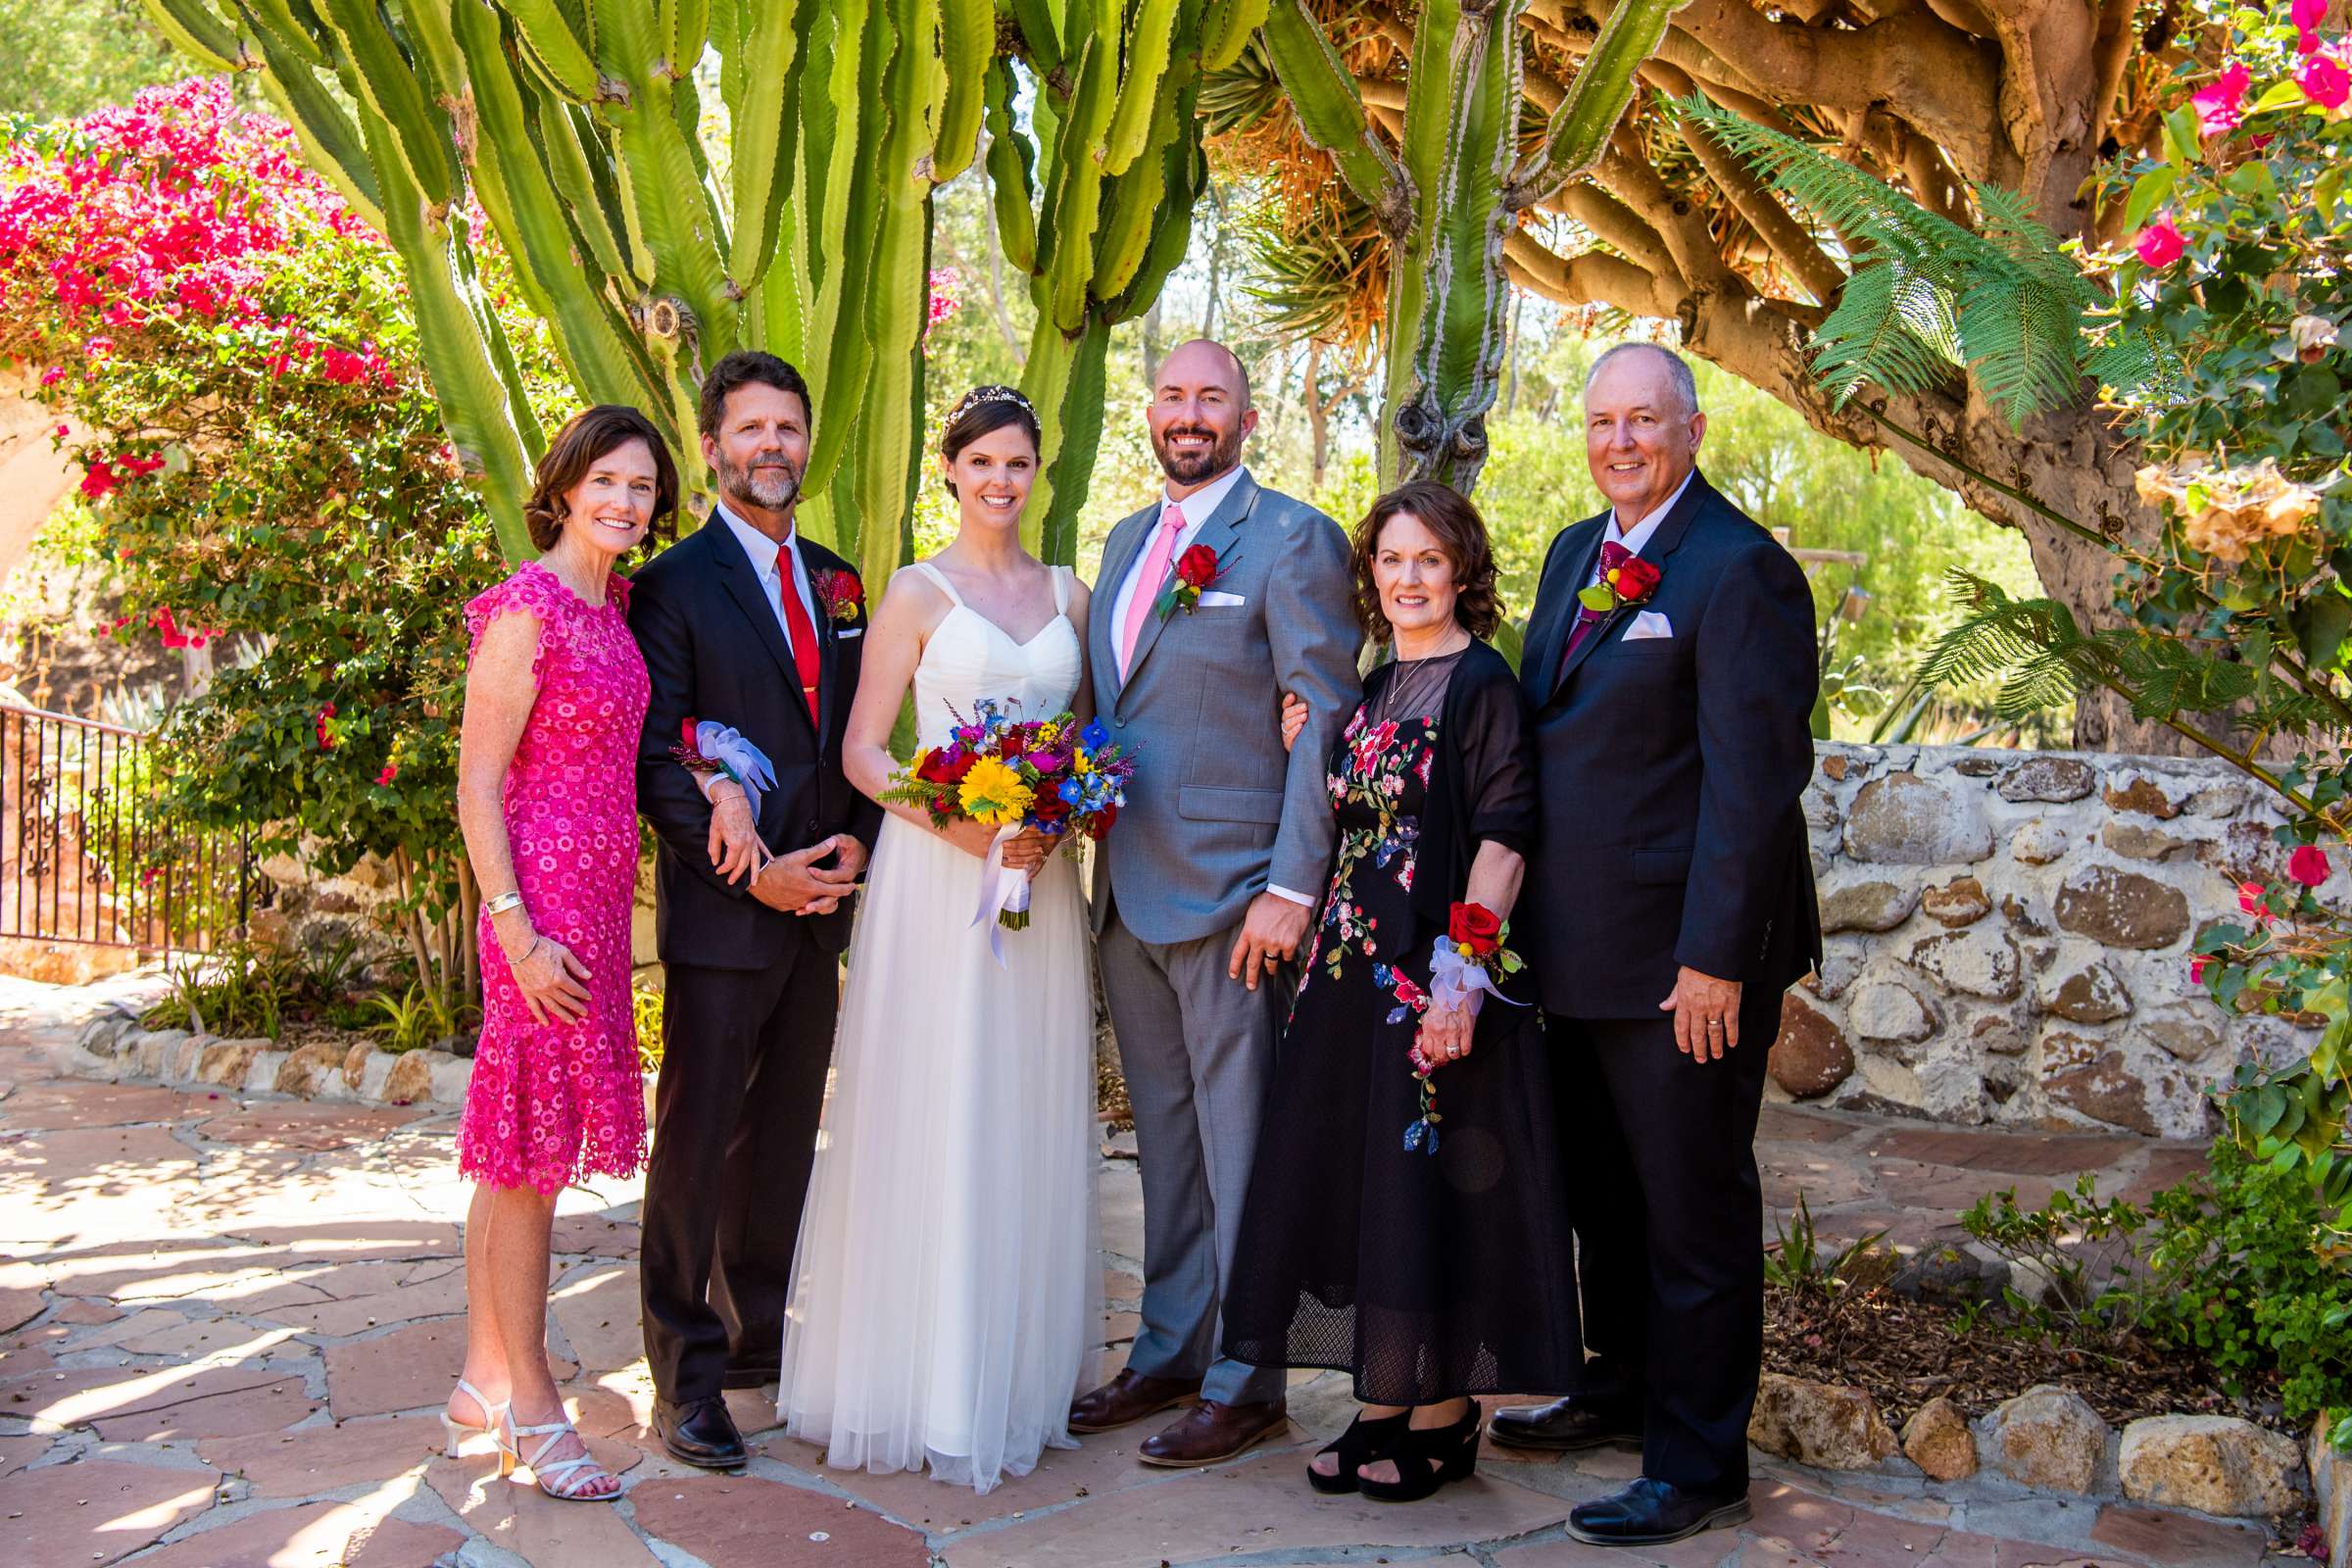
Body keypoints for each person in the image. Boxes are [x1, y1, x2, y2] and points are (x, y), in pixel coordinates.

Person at [1490, 342, 1821, 1548]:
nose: (1619, 442)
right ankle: (1619, 1384)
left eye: (1643, 421)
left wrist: (1717, 961)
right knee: (1604, 1202)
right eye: (1601, 422)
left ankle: (1697, 1462)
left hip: (1684, 964)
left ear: (1689, 430)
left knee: (1694, 1212)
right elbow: (1547, 729)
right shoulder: (1579, 553)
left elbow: (1753, 790)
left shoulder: (1741, 572)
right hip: (1573, 953)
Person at [1225, 482, 1580, 1502]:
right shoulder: (1373, 685)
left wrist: (1460, 981)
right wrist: (1309, 738)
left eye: (1428, 559)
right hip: (1349, 978)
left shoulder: (1484, 687)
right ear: (1371, 578)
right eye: (1390, 560)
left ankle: (1444, 1410)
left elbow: (1506, 833)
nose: (1409, 577)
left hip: (1430, 981)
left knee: (1431, 1191)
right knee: (1372, 1186)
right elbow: (1354, 811)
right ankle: (1384, 1398)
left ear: (1462, 568)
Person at [773, 385, 1097, 1493]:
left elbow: (1088, 740)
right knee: (936, 1100)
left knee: (1020, 1107)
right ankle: (921, 1381)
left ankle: (1008, 1378)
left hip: (1033, 881)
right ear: (950, 470)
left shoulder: (1071, 593)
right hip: (936, 871)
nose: (1001, 481)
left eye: (1019, 463)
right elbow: (866, 750)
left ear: (1035, 472)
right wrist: (959, 828)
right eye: (983, 462)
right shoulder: (915, 591)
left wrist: (1055, 820)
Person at [1069, 339, 1360, 1468]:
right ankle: (1171, 1348)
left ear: (1248, 417)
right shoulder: (1128, 539)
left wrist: (1292, 885)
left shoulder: (1294, 538)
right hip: (1127, 894)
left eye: (1213, 399)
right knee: (1168, 1145)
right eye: (1175, 396)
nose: (1190, 416)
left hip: (1241, 900)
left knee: (1244, 1151)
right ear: (1152, 411)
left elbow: (1323, 718)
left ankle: (1249, 1378)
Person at [630, 352, 882, 1472]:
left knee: (782, 1137)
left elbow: (851, 742)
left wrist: (858, 846)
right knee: (695, 1139)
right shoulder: (672, 585)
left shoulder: (840, 581)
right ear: (712, 445)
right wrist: (755, 870)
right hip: (727, 913)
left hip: (820, 908)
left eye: (789, 426)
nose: (772, 445)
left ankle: (754, 1337)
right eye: (751, 428)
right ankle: (684, 1374)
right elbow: (660, 754)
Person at [448, 404, 676, 1500]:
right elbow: (477, 784)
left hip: (585, 907)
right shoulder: (529, 608)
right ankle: (534, 1411)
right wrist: (516, 929)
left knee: (508, 1153)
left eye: (641, 487)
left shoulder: (615, 605)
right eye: (607, 481)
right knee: (530, 1164)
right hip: (533, 914)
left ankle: (479, 1379)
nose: (624, 502)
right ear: (566, 483)